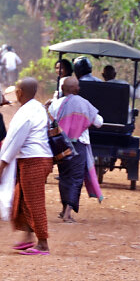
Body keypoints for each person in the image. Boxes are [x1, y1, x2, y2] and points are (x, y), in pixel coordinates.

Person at [0, 77, 52, 255]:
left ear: (19, 92)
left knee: (34, 201)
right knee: (22, 197)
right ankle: (28, 237)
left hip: (33, 159)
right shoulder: (37, 107)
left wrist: (1, 166)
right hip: (38, 158)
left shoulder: (26, 113)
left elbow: (16, 141)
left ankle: (43, 243)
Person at [48, 75, 103, 221]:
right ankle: (67, 214)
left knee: (64, 177)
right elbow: (99, 122)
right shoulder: (84, 103)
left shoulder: (56, 104)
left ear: (62, 89)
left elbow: (50, 121)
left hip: (61, 146)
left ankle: (63, 209)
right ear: (77, 89)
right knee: (76, 178)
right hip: (79, 145)